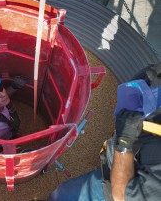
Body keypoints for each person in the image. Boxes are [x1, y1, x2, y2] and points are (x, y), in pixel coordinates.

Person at [48, 63, 161, 201]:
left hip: (113, 189)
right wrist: (142, 87)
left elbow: (120, 196)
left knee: (64, 196)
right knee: (62, 193)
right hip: (126, 156)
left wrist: (124, 142)